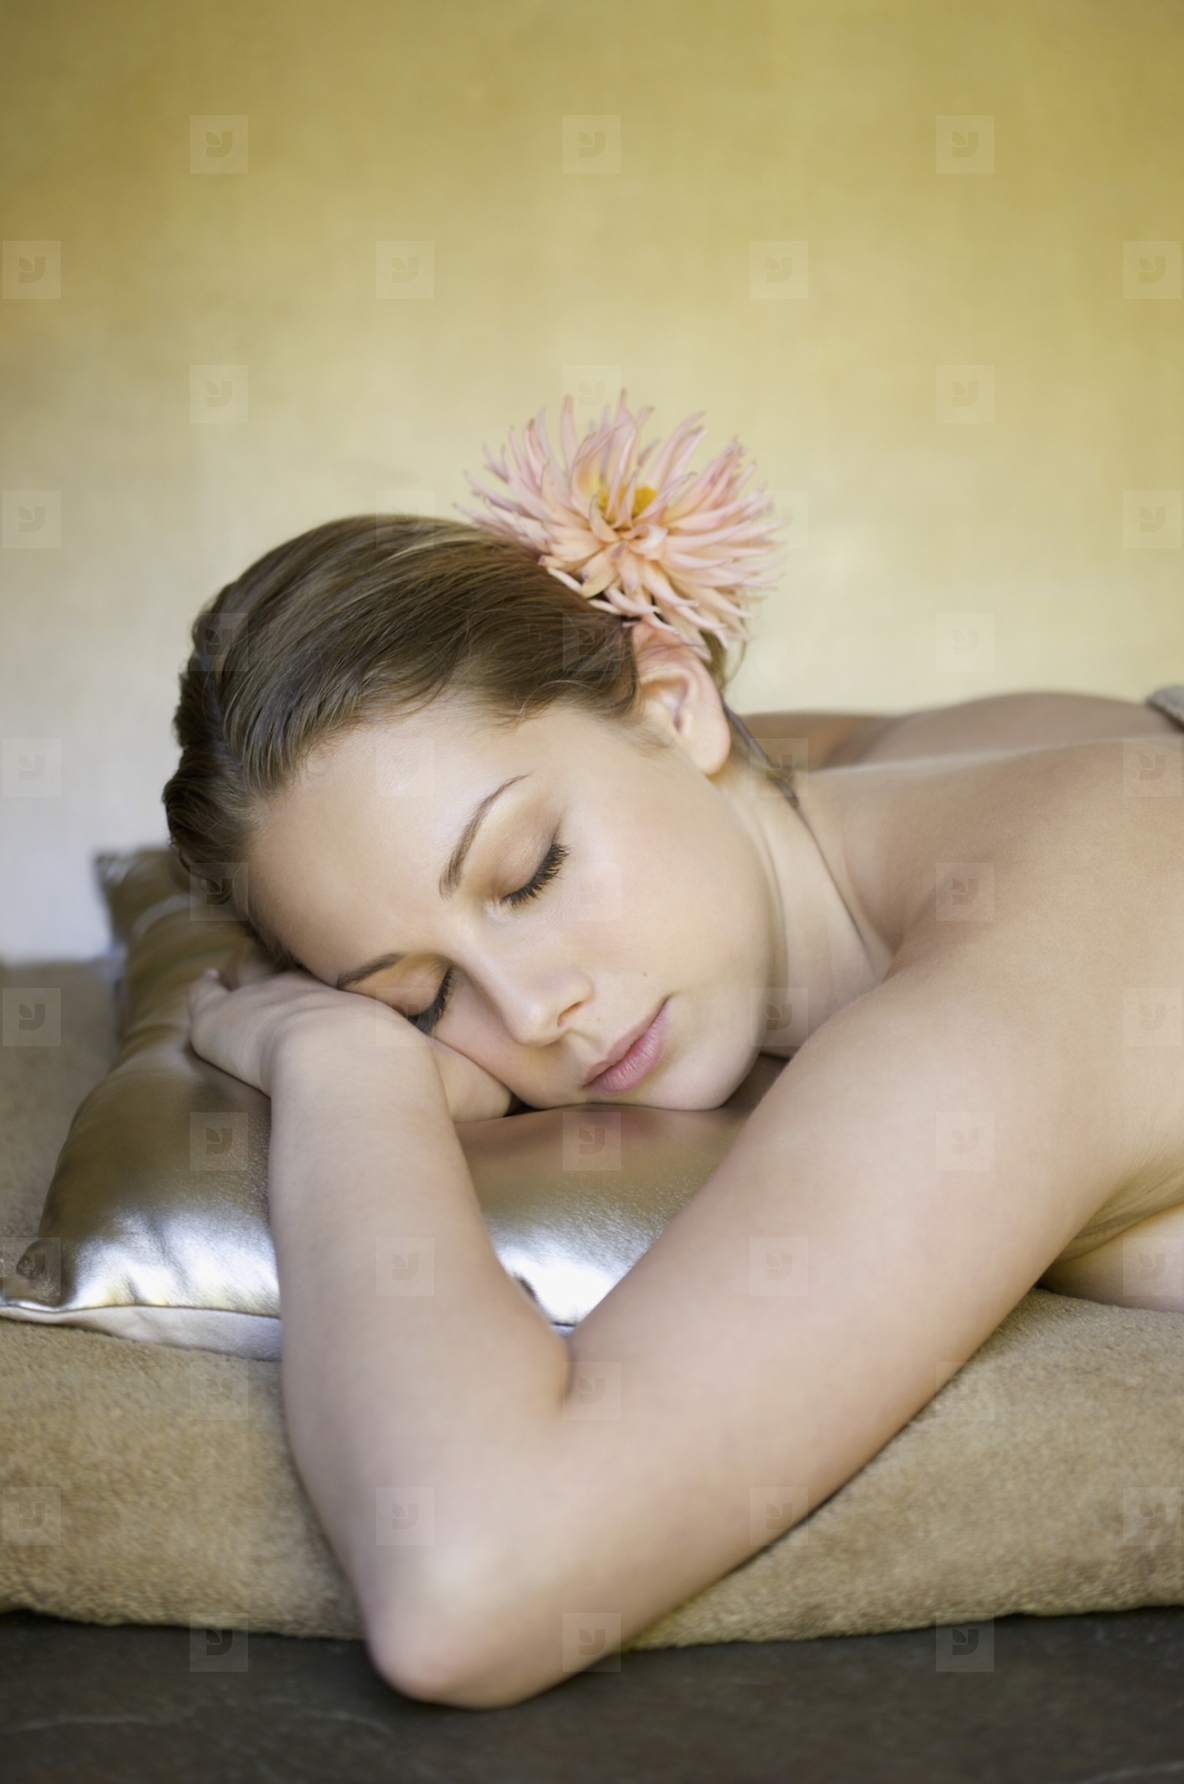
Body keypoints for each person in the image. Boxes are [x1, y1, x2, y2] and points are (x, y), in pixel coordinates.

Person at [166, 397, 1184, 1708]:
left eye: (530, 874)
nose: (533, 1012)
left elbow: (470, 1585)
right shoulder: (860, 781)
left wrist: (344, 1074)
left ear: (675, 701)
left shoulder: (1008, 994)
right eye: (419, 999)